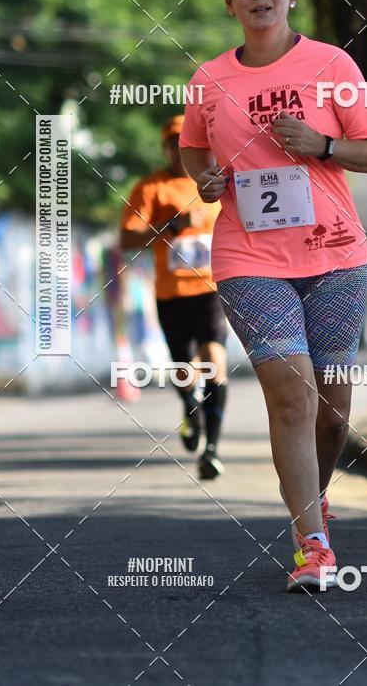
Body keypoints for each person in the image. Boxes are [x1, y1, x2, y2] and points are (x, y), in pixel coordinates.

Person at [178, 0, 367, 592]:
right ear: (230, 1)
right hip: (250, 255)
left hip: (335, 254)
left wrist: (321, 142)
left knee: (331, 408)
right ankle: (313, 545)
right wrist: (206, 178)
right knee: (291, 396)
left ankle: (313, 498)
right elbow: (192, 147)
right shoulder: (210, 79)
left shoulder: (332, 64)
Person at [120, 116, 228, 479]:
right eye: (171, 143)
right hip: (171, 293)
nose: (177, 149)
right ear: (166, 148)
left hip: (213, 287)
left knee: (213, 356)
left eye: (184, 142)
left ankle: (211, 450)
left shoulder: (217, 180)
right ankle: (190, 406)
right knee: (184, 369)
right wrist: (168, 227)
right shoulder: (151, 188)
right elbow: (127, 240)